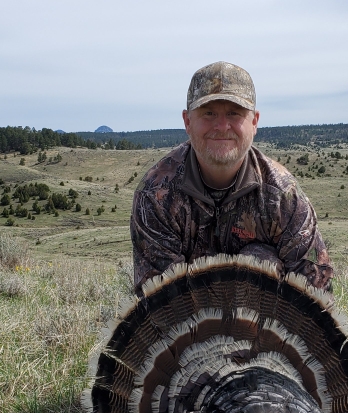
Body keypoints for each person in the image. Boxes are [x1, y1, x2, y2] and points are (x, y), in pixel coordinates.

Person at [131, 61, 332, 294]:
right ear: (187, 122)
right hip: (188, 313)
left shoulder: (284, 197)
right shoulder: (156, 194)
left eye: (234, 113)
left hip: (264, 316)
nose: (222, 126)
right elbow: (159, 298)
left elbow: (317, 293)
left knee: (258, 259)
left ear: (254, 122)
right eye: (209, 113)